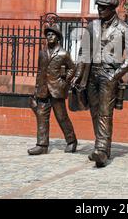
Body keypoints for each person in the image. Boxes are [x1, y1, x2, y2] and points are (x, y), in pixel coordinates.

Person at [72, 0, 128, 167]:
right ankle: (103, 148)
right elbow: (83, 52)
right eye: (98, 6)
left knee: (105, 113)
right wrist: (77, 74)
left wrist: (115, 76)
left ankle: (100, 149)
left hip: (109, 74)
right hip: (91, 74)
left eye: (103, 7)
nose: (99, 10)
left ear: (112, 9)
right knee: (95, 111)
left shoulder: (124, 29)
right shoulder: (93, 26)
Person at [28, 23, 78, 155]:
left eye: (52, 34)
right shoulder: (42, 53)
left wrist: (65, 81)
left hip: (57, 90)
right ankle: (42, 145)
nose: (49, 37)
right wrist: (36, 90)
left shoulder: (63, 53)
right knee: (41, 116)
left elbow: (73, 68)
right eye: (48, 35)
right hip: (43, 90)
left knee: (62, 117)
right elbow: (40, 72)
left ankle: (71, 141)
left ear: (58, 38)